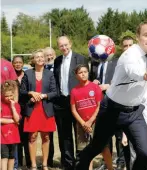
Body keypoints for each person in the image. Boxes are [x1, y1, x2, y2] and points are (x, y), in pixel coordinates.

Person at [75, 21, 147, 170]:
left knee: (146, 154)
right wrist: (144, 75)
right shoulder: (130, 55)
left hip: (134, 113)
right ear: (138, 36)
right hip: (111, 110)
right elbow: (134, 72)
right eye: (146, 35)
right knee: (96, 147)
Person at [53, 36, 87, 169]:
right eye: (61, 45)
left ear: (70, 44)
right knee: (64, 134)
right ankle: (68, 163)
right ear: (58, 47)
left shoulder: (80, 58)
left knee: (80, 135)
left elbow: (85, 79)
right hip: (61, 102)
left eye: (66, 45)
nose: (64, 48)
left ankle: (81, 162)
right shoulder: (57, 61)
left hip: (78, 102)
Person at [71, 64, 113, 170]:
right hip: (82, 125)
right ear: (76, 75)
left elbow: (99, 106)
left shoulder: (95, 87)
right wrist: (83, 123)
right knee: (85, 150)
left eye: (85, 71)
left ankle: (110, 168)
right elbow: (73, 109)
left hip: (96, 122)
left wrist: (90, 121)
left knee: (104, 147)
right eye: (80, 72)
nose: (83, 74)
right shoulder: (74, 91)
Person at [20, 49, 57, 170]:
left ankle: (45, 164)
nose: (40, 58)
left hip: (46, 109)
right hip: (32, 109)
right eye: (37, 57)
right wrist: (30, 92)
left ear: (45, 59)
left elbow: (55, 92)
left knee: (46, 137)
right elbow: (22, 92)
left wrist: (43, 96)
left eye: (42, 56)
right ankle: (34, 164)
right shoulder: (28, 74)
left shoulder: (50, 74)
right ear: (33, 60)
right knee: (32, 137)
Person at [12, 56, 31, 169]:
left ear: (23, 64)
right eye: (16, 63)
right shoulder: (11, 76)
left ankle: (29, 162)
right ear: (12, 64)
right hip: (15, 110)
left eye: (20, 62)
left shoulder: (27, 75)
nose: (18, 64)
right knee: (17, 138)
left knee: (27, 137)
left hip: (27, 109)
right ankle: (18, 163)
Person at [1, 80, 21, 170]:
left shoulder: (16, 105)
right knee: (4, 156)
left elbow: (17, 119)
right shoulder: (1, 105)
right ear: (2, 95)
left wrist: (13, 107)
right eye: (6, 96)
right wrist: (11, 121)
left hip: (13, 136)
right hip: (2, 137)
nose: (9, 98)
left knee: (12, 157)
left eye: (10, 95)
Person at [43, 47, 56, 167]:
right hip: (46, 105)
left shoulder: (59, 66)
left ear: (54, 55)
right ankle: (49, 160)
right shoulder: (41, 69)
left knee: (64, 135)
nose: (49, 57)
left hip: (61, 104)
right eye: (47, 55)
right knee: (48, 134)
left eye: (51, 55)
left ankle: (67, 161)